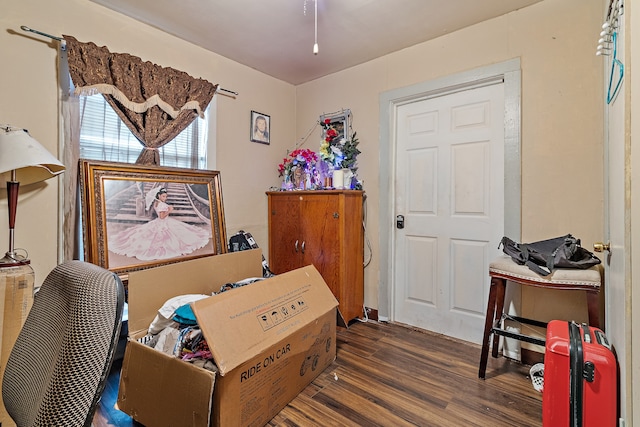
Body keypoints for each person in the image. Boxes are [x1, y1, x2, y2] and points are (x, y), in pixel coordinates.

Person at [109, 186, 211, 261]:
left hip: (161, 222)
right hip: (163, 222)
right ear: (159, 196)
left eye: (166, 196)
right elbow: (162, 216)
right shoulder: (161, 204)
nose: (165, 198)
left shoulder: (157, 203)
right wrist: (169, 210)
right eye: (163, 196)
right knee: (168, 239)